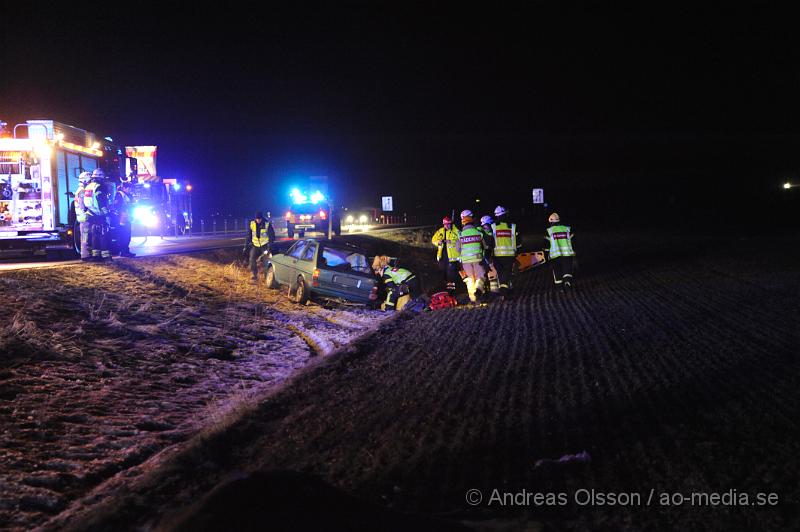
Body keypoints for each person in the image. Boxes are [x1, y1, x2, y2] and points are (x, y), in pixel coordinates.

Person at [456, 209, 487, 304]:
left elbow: (458, 249)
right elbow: (485, 246)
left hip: (465, 261)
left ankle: (473, 300)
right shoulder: (478, 232)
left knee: (470, 280)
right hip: (478, 259)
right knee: (480, 277)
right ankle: (478, 290)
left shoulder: (460, 234)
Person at [491, 205, 521, 299]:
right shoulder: (513, 226)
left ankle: (504, 291)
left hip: (497, 255)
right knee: (507, 273)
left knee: (501, 273)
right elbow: (519, 241)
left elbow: (490, 241)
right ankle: (506, 290)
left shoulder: (493, 227)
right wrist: (518, 251)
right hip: (510, 255)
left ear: (496, 215)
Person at [83, 168, 112, 261]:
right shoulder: (100, 186)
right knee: (104, 233)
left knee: (95, 234)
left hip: (90, 213)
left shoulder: (89, 186)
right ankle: (106, 256)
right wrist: (106, 214)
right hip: (99, 213)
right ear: (101, 177)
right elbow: (101, 200)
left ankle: (96, 255)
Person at [545, 212, 576, 290]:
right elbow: (573, 240)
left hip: (555, 255)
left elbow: (546, 244)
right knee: (567, 268)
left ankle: (559, 287)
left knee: (557, 270)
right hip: (567, 254)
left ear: (550, 222)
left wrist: (546, 253)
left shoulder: (549, 231)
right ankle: (567, 281)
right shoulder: (567, 229)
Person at [431, 215, 460, 295]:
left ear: (451, 223)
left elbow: (461, 240)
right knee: (443, 274)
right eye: (445, 224)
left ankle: (451, 292)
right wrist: (438, 242)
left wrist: (452, 242)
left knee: (451, 276)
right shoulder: (440, 231)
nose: (447, 226)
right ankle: (444, 290)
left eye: (449, 224)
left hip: (452, 258)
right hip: (442, 257)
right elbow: (433, 240)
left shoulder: (456, 231)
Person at [244, 211, 275, 281]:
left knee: (266, 261)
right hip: (255, 245)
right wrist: (246, 245)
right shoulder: (252, 223)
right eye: (257, 219)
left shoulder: (267, 224)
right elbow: (248, 235)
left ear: (262, 218)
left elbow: (272, 235)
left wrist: (270, 244)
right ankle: (254, 274)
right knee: (252, 259)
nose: (258, 220)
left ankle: (267, 276)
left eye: (259, 219)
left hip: (264, 245)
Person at [112, 178, 136, 257]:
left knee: (127, 235)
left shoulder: (128, 195)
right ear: (124, 188)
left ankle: (125, 251)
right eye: (129, 188)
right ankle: (124, 252)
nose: (130, 190)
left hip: (127, 218)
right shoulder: (119, 195)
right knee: (123, 235)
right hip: (121, 218)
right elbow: (116, 206)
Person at [74, 171, 92, 261]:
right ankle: (85, 255)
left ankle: (85, 254)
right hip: (84, 217)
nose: (89, 183)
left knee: (84, 236)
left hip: (81, 217)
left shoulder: (79, 190)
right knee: (85, 237)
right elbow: (82, 205)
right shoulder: (82, 191)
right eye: (89, 181)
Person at [480, 215, 500, 294]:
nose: (485, 227)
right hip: (486, 256)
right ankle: (489, 290)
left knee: (494, 274)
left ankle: (495, 291)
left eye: (486, 225)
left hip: (494, 255)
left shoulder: (494, 232)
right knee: (488, 274)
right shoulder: (482, 233)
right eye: (484, 226)